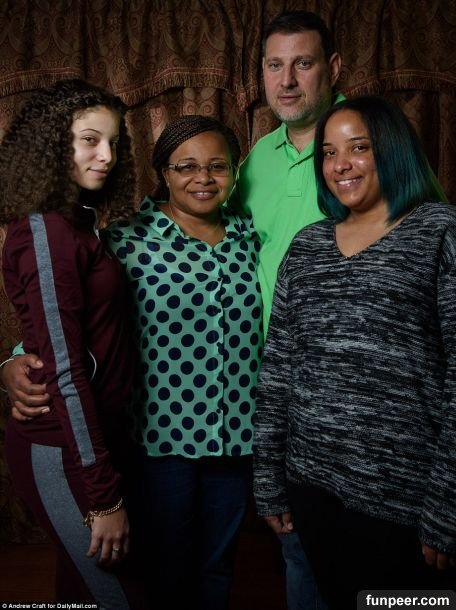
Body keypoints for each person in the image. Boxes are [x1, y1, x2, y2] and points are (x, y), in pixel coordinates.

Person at [2, 114, 263, 610]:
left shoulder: (251, 239)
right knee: (161, 572)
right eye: (186, 166)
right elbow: (71, 318)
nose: (203, 178)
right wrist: (12, 362)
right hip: (159, 441)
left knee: (217, 568)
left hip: (236, 440)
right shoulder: (126, 240)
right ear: (164, 172)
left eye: (218, 166)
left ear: (234, 172)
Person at [252, 95, 456, 610]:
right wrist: (268, 479)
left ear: (392, 150)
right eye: (329, 153)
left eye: (358, 148)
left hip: (403, 502)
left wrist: (450, 503)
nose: (341, 165)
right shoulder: (307, 246)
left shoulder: (443, 232)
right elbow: (279, 370)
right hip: (310, 488)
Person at [0, 79, 147, 608]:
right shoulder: (46, 233)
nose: (106, 156)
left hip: (94, 440)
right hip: (61, 447)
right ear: (51, 143)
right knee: (120, 597)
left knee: (82, 592)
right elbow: (64, 366)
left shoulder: (79, 226)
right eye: (89, 140)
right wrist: (103, 496)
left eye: (113, 142)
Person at [231, 10, 342, 609]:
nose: (287, 80)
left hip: (352, 385)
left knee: (367, 546)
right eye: (275, 65)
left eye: (302, 63)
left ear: (333, 68)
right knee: (297, 543)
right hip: (274, 385)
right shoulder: (256, 159)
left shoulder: (368, 139)